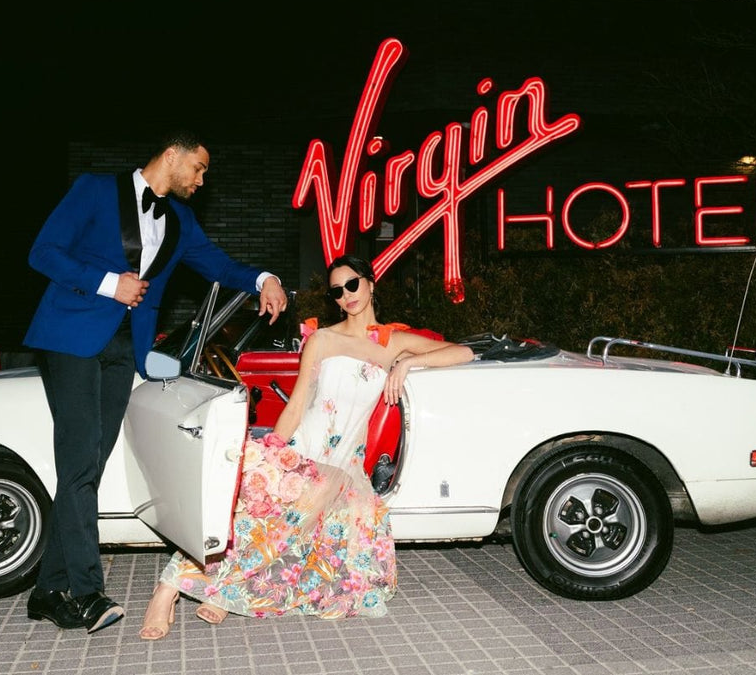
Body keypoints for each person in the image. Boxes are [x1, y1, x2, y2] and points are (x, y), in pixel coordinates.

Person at [23, 131, 288, 632]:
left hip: (125, 350)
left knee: (85, 469)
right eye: (200, 168)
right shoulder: (94, 190)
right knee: (79, 464)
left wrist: (263, 279)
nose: (202, 179)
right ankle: (85, 593)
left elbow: (218, 265)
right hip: (71, 338)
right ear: (173, 155)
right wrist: (109, 283)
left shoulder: (180, 221)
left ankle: (45, 592)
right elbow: (44, 252)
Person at [137, 255, 474, 639]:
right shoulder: (324, 339)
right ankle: (167, 589)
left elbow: (462, 351)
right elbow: (298, 404)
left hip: (345, 466)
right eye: (337, 290)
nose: (346, 295)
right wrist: (275, 453)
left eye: (352, 284)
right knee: (257, 498)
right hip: (306, 449)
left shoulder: (392, 343)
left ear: (370, 284)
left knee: (307, 538)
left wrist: (406, 365)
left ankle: (224, 589)